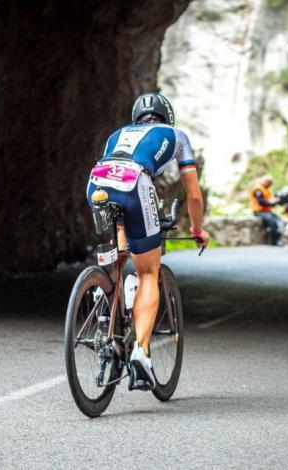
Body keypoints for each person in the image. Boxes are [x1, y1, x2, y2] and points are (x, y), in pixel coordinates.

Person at [86, 92, 209, 390]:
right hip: (134, 182)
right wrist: (197, 230)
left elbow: (116, 172)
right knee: (149, 272)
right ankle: (141, 352)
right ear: (166, 116)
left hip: (97, 182)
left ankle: (106, 308)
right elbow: (192, 194)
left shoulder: (117, 134)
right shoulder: (176, 136)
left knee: (121, 247)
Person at [250, 175, 282, 246]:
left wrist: (275, 201)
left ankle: (278, 239)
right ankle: (274, 241)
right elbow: (261, 201)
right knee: (273, 221)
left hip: (267, 211)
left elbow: (269, 201)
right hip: (259, 211)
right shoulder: (258, 188)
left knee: (279, 220)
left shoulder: (265, 189)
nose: (270, 184)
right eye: (269, 182)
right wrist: (271, 202)